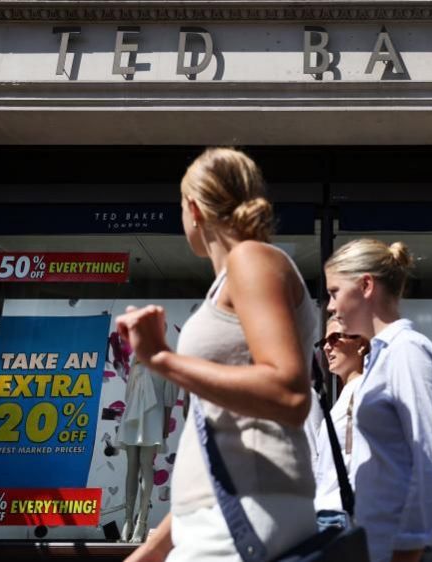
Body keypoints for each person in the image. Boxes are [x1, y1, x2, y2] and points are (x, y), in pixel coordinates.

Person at [117, 147, 320, 562]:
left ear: (193, 208)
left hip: (243, 518)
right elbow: (214, 439)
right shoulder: (236, 275)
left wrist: (161, 359)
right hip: (224, 516)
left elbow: (289, 393)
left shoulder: (252, 259)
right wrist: (153, 551)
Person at [324, 239, 432, 562]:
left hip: (416, 552)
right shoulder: (383, 356)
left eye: (334, 292)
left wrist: (409, 548)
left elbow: (431, 457)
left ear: (365, 285)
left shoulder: (406, 352)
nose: (330, 306)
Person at [312, 317, 369, 530]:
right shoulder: (345, 395)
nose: (327, 347)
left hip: (342, 516)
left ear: (361, 344)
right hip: (329, 513)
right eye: (324, 341)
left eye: (335, 338)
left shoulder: (364, 391)